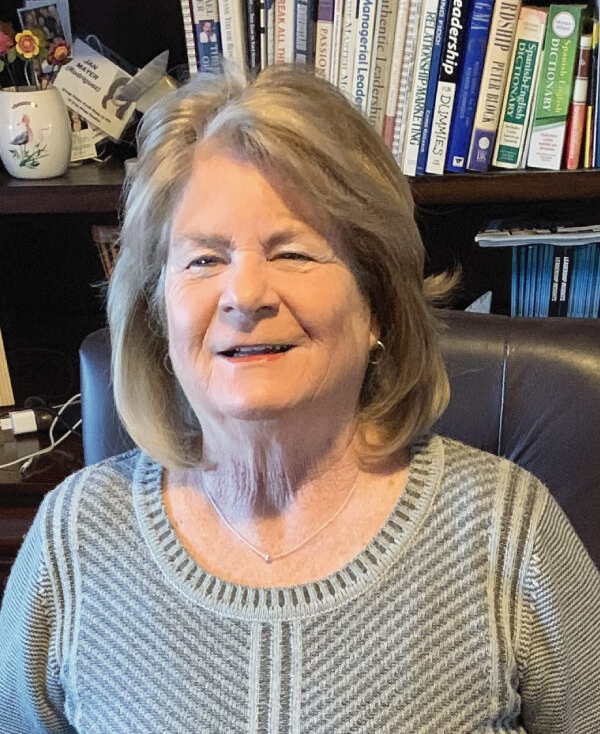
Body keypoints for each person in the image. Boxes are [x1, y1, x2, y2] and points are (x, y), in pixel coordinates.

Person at [0, 66, 599, 734]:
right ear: (157, 312)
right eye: (204, 259)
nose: (245, 295)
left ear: (376, 303)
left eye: (292, 253)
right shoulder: (73, 541)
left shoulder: (507, 531)